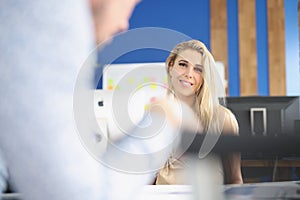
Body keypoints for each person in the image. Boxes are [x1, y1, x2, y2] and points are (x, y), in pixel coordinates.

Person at [154, 40, 243, 185]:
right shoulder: (158, 116)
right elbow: (147, 178)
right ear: (171, 67)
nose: (189, 74)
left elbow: (235, 179)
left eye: (198, 69)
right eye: (183, 64)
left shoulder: (223, 118)